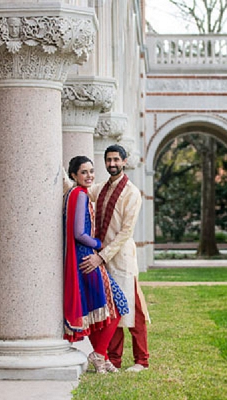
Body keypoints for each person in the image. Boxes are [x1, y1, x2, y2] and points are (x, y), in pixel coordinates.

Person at [80, 144, 150, 372]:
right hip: (102, 258)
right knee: (113, 310)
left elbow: (125, 233)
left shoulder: (131, 193)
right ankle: (114, 359)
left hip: (120, 259)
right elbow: (81, 190)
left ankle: (142, 360)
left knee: (133, 308)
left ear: (124, 161)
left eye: (116, 160)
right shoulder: (101, 188)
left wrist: (101, 257)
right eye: (108, 160)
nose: (112, 164)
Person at [63, 155, 129, 374]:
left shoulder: (72, 193)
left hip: (81, 258)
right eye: (84, 172)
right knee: (117, 304)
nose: (89, 175)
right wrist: (99, 244)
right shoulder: (80, 195)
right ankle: (99, 353)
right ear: (74, 175)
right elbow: (78, 233)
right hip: (88, 259)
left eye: (91, 171)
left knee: (93, 311)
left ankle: (103, 358)